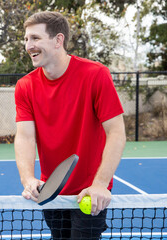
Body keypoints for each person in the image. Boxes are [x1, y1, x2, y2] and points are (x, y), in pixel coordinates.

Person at [14, 11, 126, 239]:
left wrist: (100, 184)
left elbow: (116, 132)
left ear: (58, 40)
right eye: (26, 39)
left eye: (35, 38)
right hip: (52, 191)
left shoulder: (96, 75)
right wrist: (28, 179)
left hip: (89, 193)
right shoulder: (25, 86)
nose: (28, 45)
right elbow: (25, 136)